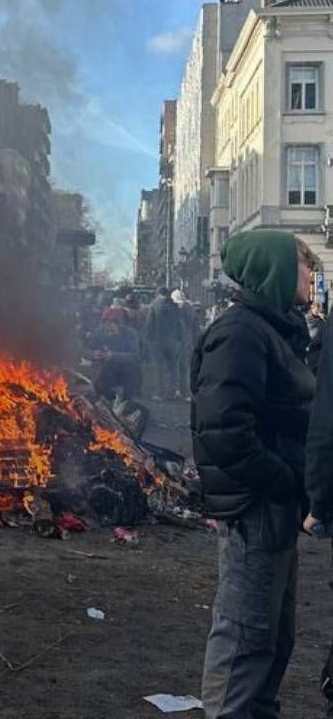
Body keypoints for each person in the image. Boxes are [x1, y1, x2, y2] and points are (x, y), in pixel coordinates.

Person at [194, 230, 317, 718]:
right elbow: (224, 429)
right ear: (278, 271)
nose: (313, 275)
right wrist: (285, 478)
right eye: (305, 266)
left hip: (275, 505)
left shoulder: (273, 329)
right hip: (256, 507)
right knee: (245, 638)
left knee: (272, 637)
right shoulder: (241, 331)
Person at [145, 286, 193, 401]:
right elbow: (181, 323)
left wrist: (149, 339)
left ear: (157, 293)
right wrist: (180, 340)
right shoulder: (175, 305)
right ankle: (173, 391)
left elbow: (149, 324)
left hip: (158, 341)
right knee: (174, 368)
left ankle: (161, 393)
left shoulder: (154, 305)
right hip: (174, 341)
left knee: (160, 368)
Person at [89, 307, 145, 404]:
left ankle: (128, 401)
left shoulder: (130, 334)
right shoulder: (98, 333)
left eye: (111, 324)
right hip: (109, 370)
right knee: (99, 386)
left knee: (132, 372)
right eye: (106, 324)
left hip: (127, 370)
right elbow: (87, 350)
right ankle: (114, 399)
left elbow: (134, 356)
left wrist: (113, 355)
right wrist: (94, 354)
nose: (108, 329)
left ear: (117, 324)